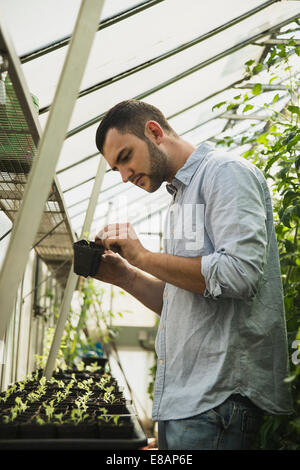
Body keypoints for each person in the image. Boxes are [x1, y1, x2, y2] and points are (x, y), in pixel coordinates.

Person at [93, 99, 293, 450]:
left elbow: (239, 273)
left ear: (154, 132)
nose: (124, 176)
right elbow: (181, 303)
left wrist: (144, 255)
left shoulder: (225, 172)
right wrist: (126, 275)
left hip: (217, 402)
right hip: (187, 405)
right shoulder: (180, 199)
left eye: (125, 157)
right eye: (116, 169)